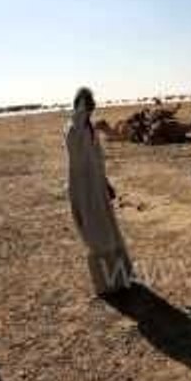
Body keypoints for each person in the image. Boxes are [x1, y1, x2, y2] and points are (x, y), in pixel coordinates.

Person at [65, 87, 135, 297]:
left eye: (91, 104)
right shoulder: (73, 129)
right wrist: (82, 106)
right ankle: (106, 285)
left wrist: (105, 182)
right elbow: (79, 157)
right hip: (83, 188)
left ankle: (120, 280)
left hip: (97, 186)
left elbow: (96, 158)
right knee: (95, 234)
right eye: (87, 105)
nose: (89, 109)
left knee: (109, 231)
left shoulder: (91, 129)